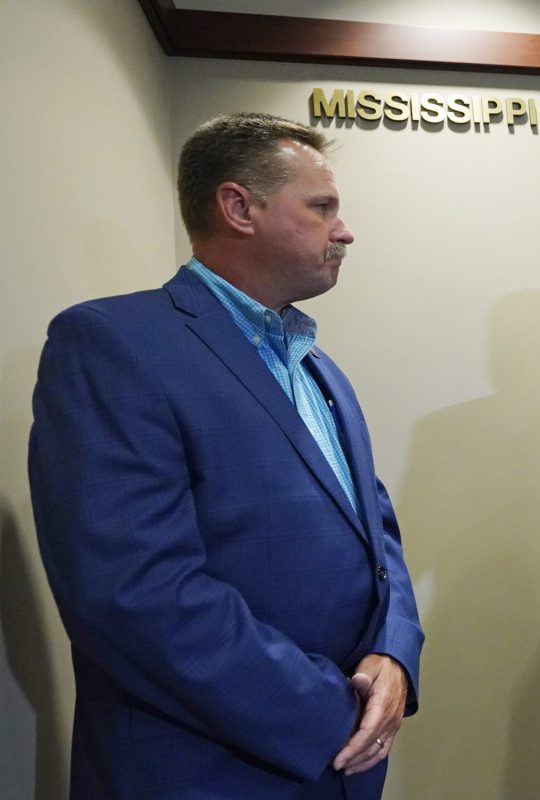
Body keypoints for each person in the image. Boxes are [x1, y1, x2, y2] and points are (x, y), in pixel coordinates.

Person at [28, 113, 423, 798]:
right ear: (239, 207)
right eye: (322, 207)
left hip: (339, 761)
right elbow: (134, 592)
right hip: (204, 767)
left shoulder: (320, 370)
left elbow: (378, 536)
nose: (345, 230)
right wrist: (331, 710)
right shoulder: (113, 345)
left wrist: (395, 653)